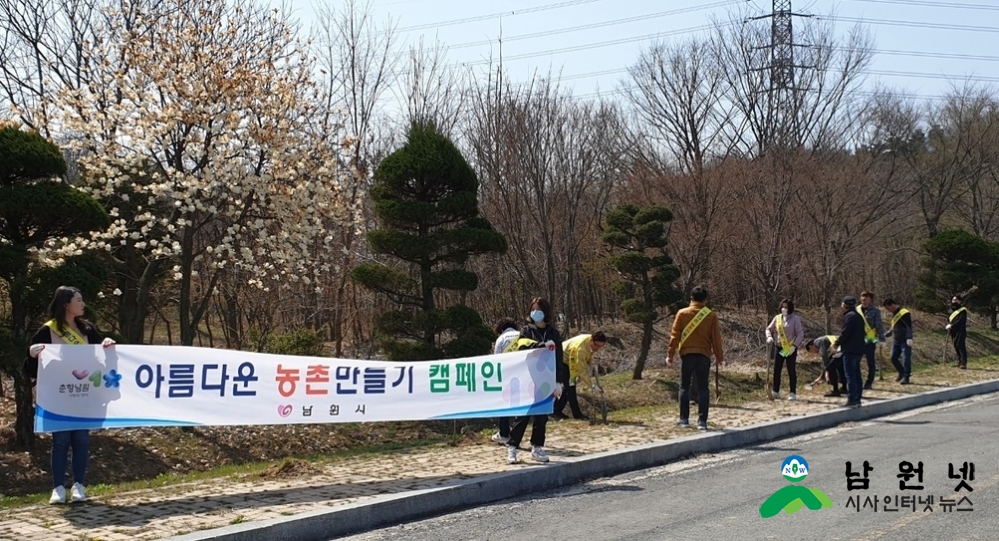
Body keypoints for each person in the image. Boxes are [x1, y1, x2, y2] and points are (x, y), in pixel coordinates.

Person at [23, 286, 115, 504]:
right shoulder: (48, 331)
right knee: (61, 441)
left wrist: (107, 343)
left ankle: (79, 486)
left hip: (84, 394)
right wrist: (32, 355)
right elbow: (29, 370)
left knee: (82, 439)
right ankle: (58, 488)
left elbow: (102, 357)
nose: (83, 305)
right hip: (59, 397)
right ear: (66, 304)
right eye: (79, 300)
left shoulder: (87, 330)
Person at [505, 297, 565, 464]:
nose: (535, 313)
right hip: (528, 380)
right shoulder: (525, 331)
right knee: (523, 415)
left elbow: (559, 359)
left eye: (538, 309)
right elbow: (522, 348)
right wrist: (541, 346)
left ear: (545, 312)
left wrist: (559, 382)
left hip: (547, 380)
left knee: (542, 415)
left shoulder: (554, 333)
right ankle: (512, 447)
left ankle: (537, 447)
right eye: (533, 309)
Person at [667, 285, 724, 431]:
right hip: (704, 355)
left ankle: (684, 419)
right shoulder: (710, 315)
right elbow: (716, 339)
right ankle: (702, 422)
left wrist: (670, 355)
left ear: (691, 298)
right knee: (703, 388)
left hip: (687, 354)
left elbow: (675, 336)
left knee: (684, 386)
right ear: (705, 300)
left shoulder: (682, 313)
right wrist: (720, 357)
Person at [556, 331, 608, 420]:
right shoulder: (580, 349)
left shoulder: (589, 342)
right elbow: (582, 370)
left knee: (568, 388)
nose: (598, 349)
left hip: (570, 360)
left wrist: (590, 362)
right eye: (597, 346)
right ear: (592, 340)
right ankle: (577, 414)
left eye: (601, 346)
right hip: (561, 360)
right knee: (570, 387)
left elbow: (589, 354)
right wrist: (592, 386)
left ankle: (556, 410)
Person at [489, 318, 522, 445]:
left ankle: (504, 433)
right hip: (523, 373)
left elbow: (497, 359)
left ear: (500, 329)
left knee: (505, 403)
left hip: (508, 374)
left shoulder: (501, 339)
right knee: (521, 403)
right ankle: (517, 433)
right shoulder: (521, 335)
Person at [766, 299, 804, 401]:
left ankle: (792, 392)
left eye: (786, 307)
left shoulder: (795, 319)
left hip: (790, 348)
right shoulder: (777, 318)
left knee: (791, 370)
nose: (784, 309)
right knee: (777, 370)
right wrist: (769, 337)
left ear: (790, 308)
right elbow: (769, 329)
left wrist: (794, 346)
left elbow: (800, 334)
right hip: (779, 347)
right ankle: (775, 391)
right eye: (783, 306)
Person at [836, 296, 866, 408]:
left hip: (850, 350)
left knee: (850, 376)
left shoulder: (850, 316)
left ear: (845, 305)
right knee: (857, 375)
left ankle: (852, 399)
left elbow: (845, 333)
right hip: (858, 349)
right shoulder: (858, 316)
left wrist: (837, 343)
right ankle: (858, 398)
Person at [857, 291, 887, 390]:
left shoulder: (875, 311)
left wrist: (882, 339)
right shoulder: (857, 310)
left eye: (866, 299)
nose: (864, 301)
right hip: (857, 340)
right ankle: (857, 382)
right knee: (855, 362)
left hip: (869, 339)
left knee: (871, 363)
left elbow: (879, 326)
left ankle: (869, 383)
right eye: (862, 299)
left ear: (871, 300)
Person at [883, 298, 914, 384]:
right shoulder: (894, 314)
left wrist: (909, 337)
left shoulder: (904, 313)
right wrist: (886, 334)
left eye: (888, 308)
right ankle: (901, 372)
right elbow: (894, 328)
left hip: (905, 340)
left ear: (892, 305)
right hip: (896, 340)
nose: (888, 310)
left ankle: (906, 377)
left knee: (906, 358)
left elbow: (908, 326)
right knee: (893, 358)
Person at [947, 295, 969, 369]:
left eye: (956, 300)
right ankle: (959, 361)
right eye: (953, 300)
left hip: (960, 331)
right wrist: (948, 325)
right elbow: (949, 319)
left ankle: (963, 362)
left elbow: (961, 321)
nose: (954, 301)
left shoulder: (963, 310)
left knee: (960, 345)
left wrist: (952, 325)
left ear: (959, 301)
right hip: (953, 331)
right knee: (956, 346)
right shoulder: (951, 310)